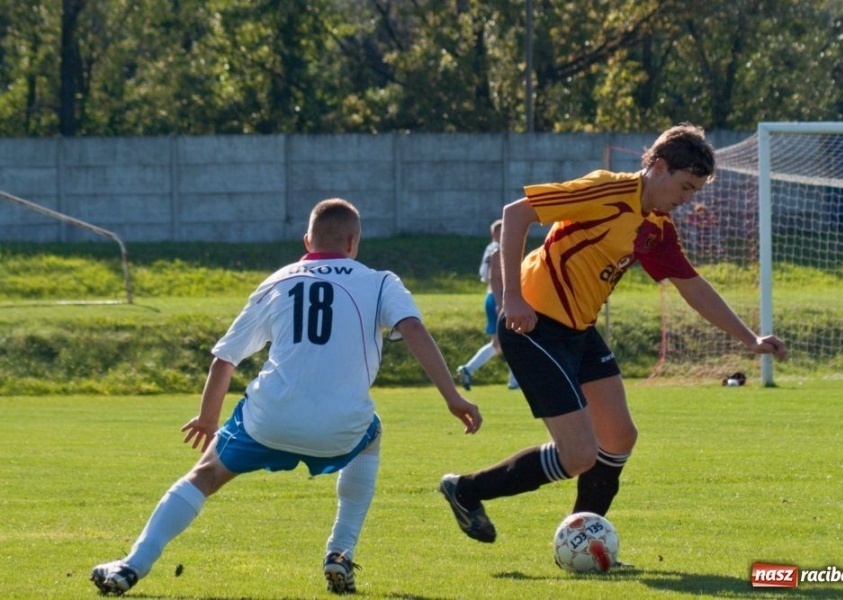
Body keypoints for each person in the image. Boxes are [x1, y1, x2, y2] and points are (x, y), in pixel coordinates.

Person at [91, 198, 482, 596]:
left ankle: (131, 566)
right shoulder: (381, 281)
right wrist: (453, 397)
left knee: (205, 475)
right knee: (373, 433)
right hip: (341, 429)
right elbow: (413, 329)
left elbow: (225, 359)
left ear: (307, 239)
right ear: (353, 241)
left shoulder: (277, 281)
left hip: (268, 421)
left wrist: (209, 419)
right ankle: (340, 552)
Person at [438, 124, 788, 552]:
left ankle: (584, 542)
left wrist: (749, 339)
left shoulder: (656, 226)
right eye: (685, 186)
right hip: (532, 326)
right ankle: (467, 490)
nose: (688, 199)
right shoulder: (604, 190)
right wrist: (512, 297)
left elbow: (692, 285)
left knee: (619, 437)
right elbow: (516, 213)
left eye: (695, 191)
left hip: (579, 332)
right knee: (580, 454)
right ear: (658, 167)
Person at [456, 219, 519, 391]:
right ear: (497, 233)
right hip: (497, 297)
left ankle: (469, 369)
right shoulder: (497, 250)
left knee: (499, 344)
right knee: (514, 339)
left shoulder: (490, 249)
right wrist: (501, 302)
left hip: (493, 296)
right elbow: (493, 277)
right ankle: (515, 380)